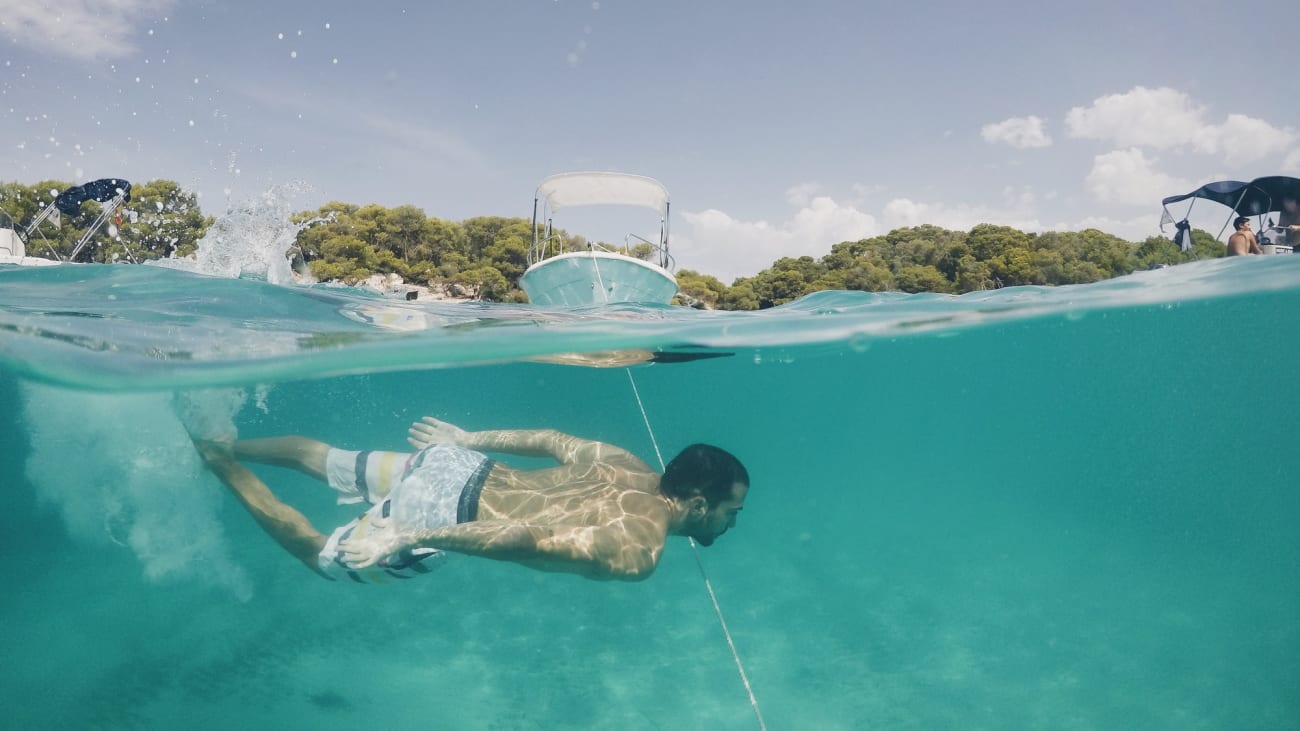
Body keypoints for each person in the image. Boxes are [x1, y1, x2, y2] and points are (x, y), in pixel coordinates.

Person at [192, 417, 749, 583]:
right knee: (319, 555)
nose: (732, 524)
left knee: (328, 458)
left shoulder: (626, 462)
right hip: (444, 515)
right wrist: (412, 535)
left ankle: (223, 439)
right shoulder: (638, 551)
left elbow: (550, 439)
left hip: (459, 466)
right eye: (732, 512)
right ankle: (218, 462)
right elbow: (518, 538)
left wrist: (464, 439)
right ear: (698, 505)